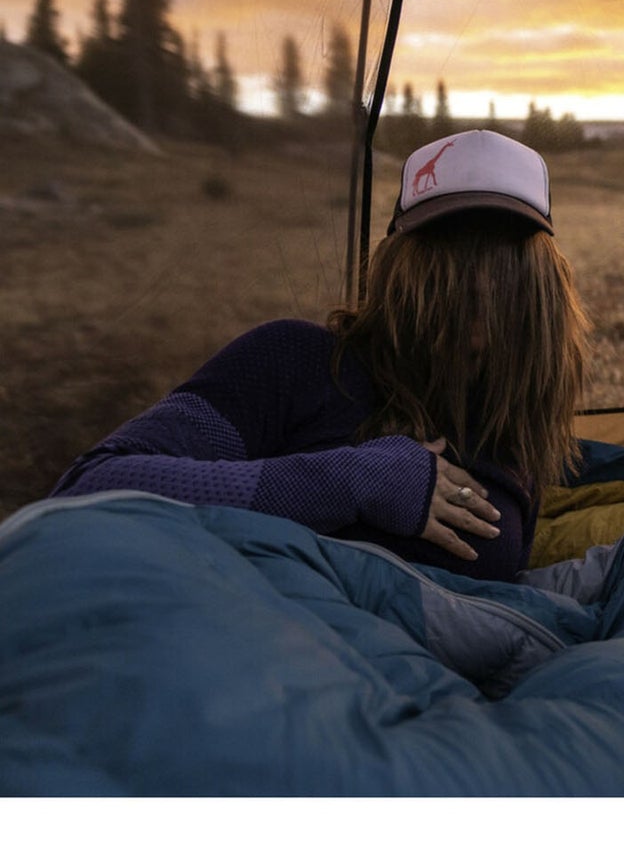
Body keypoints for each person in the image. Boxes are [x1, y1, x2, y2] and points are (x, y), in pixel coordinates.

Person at [51, 129, 590, 584]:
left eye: (504, 257)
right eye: (448, 252)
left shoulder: (517, 420)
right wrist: (346, 481)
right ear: (397, 266)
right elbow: (91, 489)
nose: (477, 283)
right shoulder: (297, 362)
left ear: (541, 284)